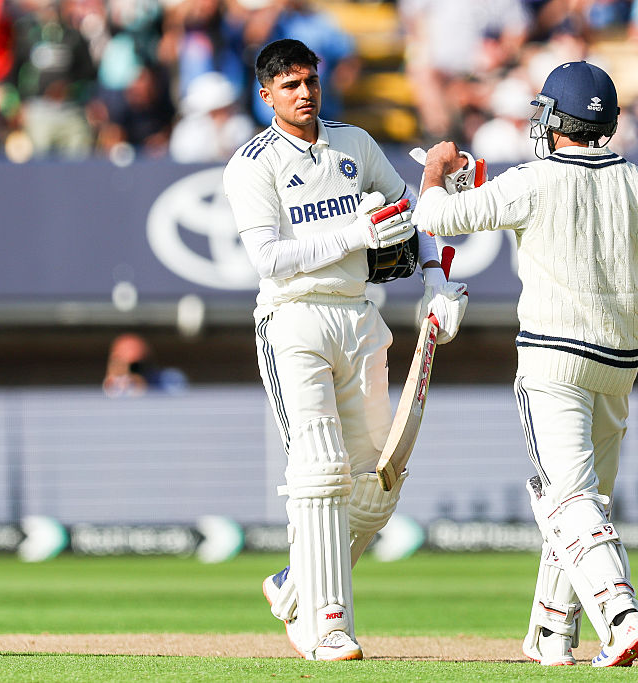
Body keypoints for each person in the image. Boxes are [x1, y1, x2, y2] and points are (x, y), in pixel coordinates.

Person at [412, 61, 638, 667]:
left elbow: (432, 219)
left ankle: (621, 615)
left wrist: (433, 171)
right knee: (584, 502)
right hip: (618, 361)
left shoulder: (533, 179)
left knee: (565, 500)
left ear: (556, 120)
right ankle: (552, 634)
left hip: (555, 358)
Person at [221, 39, 468, 662]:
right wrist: (352, 233)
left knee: (378, 484)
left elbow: (414, 214)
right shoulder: (252, 164)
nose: (304, 94)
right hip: (293, 319)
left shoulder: (354, 144)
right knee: (321, 471)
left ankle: (297, 583)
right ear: (266, 94)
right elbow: (269, 259)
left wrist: (437, 282)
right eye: (289, 85)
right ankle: (327, 625)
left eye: (309, 81)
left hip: (360, 316)